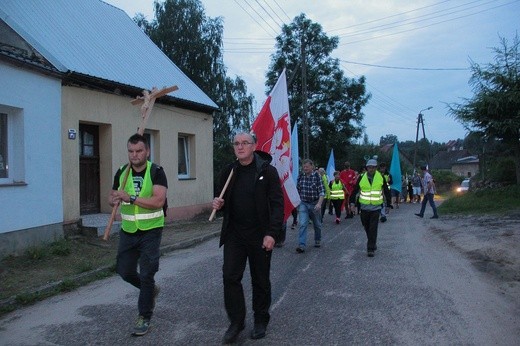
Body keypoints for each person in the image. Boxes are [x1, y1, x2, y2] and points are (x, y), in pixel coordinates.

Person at [212, 132, 284, 343]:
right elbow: (222, 198)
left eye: (245, 143)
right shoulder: (229, 171)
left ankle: (261, 319)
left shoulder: (267, 172)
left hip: (260, 235)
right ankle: (236, 321)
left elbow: (278, 205)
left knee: (260, 279)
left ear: (254, 146)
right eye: (236, 143)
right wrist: (218, 203)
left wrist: (272, 233)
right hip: (235, 234)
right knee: (230, 277)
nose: (240, 147)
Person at [109, 133, 168, 336]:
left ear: (147, 152)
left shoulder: (157, 171)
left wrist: (130, 197)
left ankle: (144, 316)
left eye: (139, 151)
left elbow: (158, 201)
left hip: (151, 229)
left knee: (146, 273)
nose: (134, 155)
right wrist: (114, 198)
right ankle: (149, 289)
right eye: (131, 151)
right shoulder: (122, 172)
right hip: (128, 230)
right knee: (124, 271)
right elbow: (111, 196)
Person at [349, 159, 392, 257]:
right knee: (366, 226)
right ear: (367, 168)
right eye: (369, 167)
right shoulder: (361, 177)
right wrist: (352, 203)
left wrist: (388, 204)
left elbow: (386, 190)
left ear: (376, 168)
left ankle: (371, 248)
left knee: (373, 228)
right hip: (364, 207)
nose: (371, 169)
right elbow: (355, 190)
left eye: (373, 167)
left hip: (376, 207)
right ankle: (371, 241)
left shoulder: (380, 177)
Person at [296, 159, 325, 253]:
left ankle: (317, 239)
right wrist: (297, 204)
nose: (305, 168)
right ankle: (301, 245)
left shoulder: (317, 177)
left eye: (307, 166)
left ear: (312, 166)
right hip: (303, 203)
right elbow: (298, 191)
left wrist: (319, 204)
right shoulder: (300, 176)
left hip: (314, 203)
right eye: (304, 167)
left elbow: (321, 192)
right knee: (303, 224)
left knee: (317, 224)